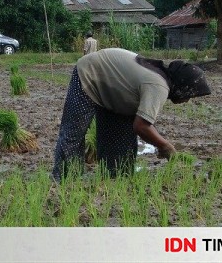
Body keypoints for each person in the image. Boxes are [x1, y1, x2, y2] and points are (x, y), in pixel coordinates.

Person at [51, 48, 211, 181]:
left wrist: (159, 142)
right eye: (190, 95)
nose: (188, 100)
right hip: (90, 72)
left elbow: (141, 122)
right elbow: (142, 126)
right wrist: (165, 145)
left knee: (120, 142)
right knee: (74, 133)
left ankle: (116, 178)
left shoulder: (159, 80)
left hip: (117, 92)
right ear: (182, 86)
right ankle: (64, 180)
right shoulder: (158, 86)